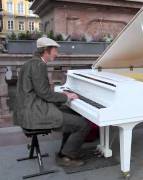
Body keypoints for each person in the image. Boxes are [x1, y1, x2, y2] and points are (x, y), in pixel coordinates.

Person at [13, 37, 90, 167]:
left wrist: (63, 95)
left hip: (28, 109)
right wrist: (66, 97)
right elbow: (45, 93)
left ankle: (67, 151)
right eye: (55, 51)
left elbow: (40, 91)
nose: (57, 54)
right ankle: (65, 156)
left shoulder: (30, 63)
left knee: (73, 115)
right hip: (35, 113)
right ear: (46, 51)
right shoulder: (39, 65)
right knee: (82, 124)